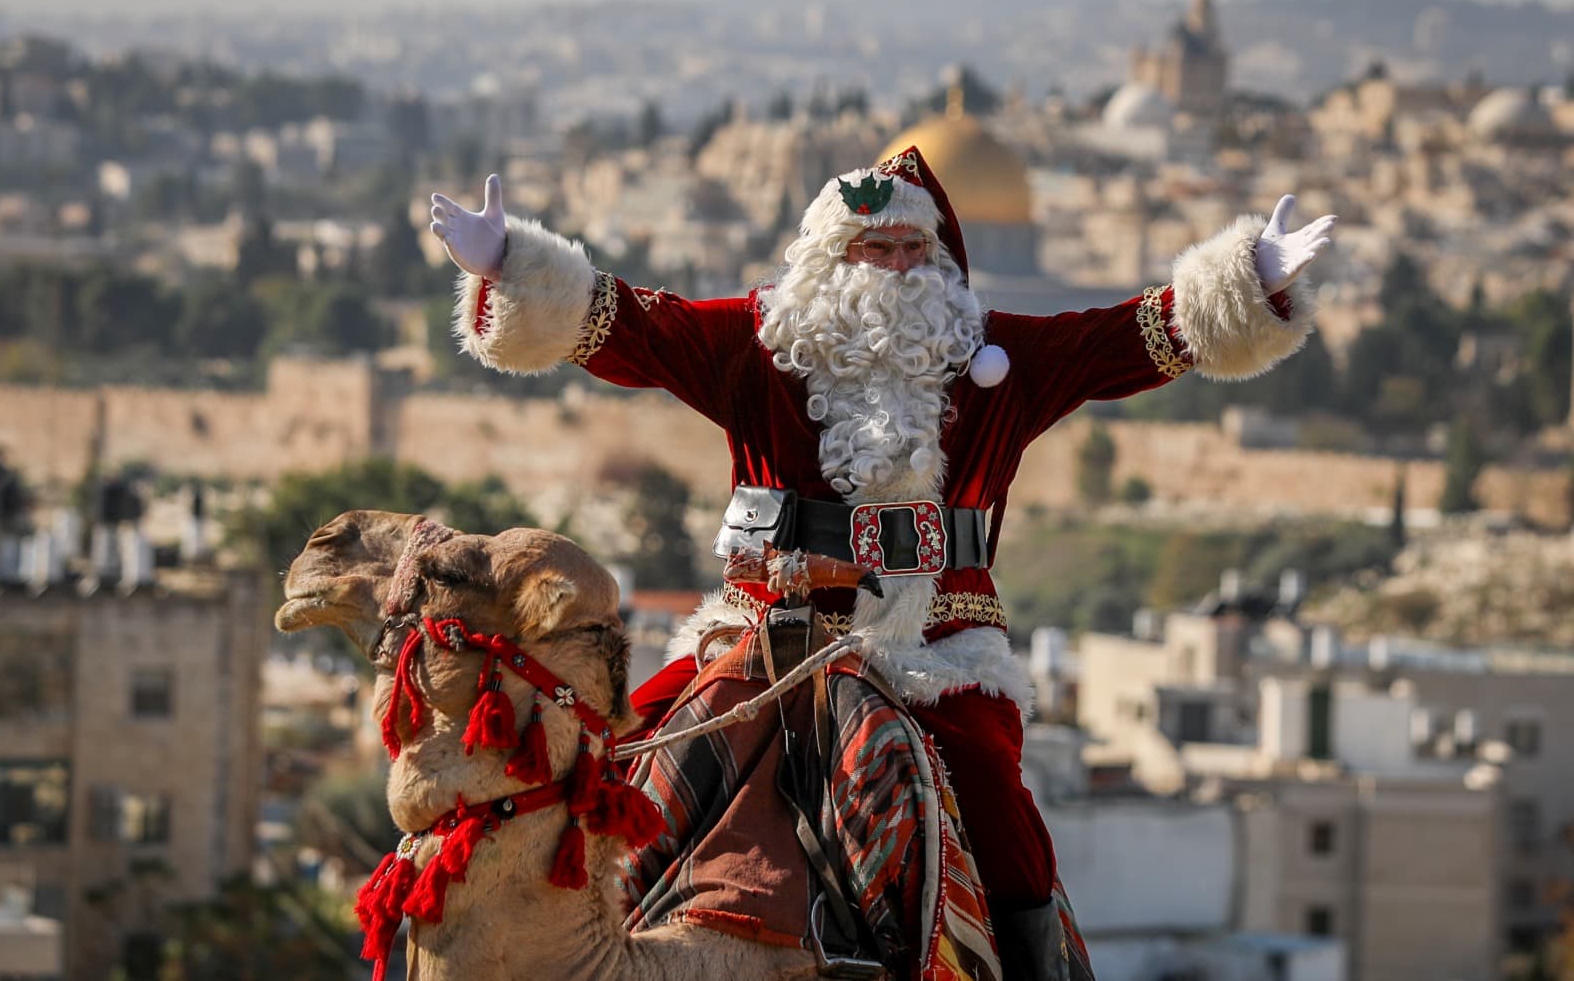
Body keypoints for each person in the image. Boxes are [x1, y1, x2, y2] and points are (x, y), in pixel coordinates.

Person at [429, 147, 1333, 979]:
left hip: (937, 649)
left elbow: (1130, 338)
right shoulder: (755, 346)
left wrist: (1245, 281)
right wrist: (513, 263)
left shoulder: (1000, 359)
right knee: (631, 750)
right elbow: (625, 324)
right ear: (830, 259)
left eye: (911, 248)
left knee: (996, 803)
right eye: (874, 249)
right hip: (765, 635)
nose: (896, 268)